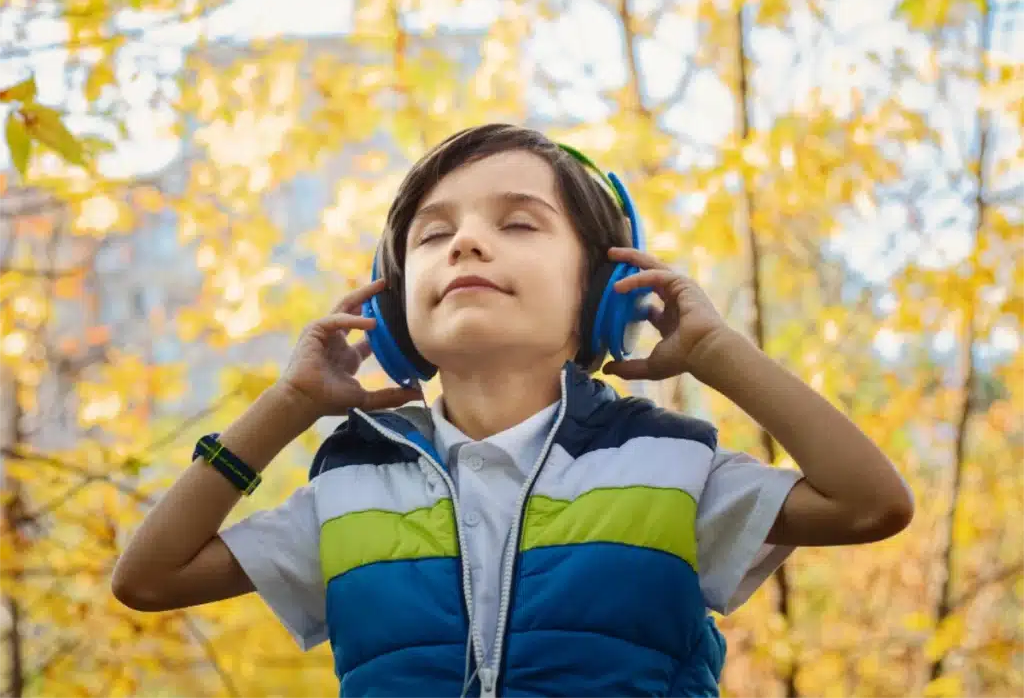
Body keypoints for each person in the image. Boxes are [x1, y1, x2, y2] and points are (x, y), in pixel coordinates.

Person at [112, 124, 914, 697]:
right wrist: (288, 406)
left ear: (601, 294)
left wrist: (715, 350)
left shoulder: (668, 468)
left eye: (518, 222)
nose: (464, 243)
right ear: (393, 315)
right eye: (433, 235)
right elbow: (148, 576)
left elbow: (871, 501)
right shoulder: (351, 492)